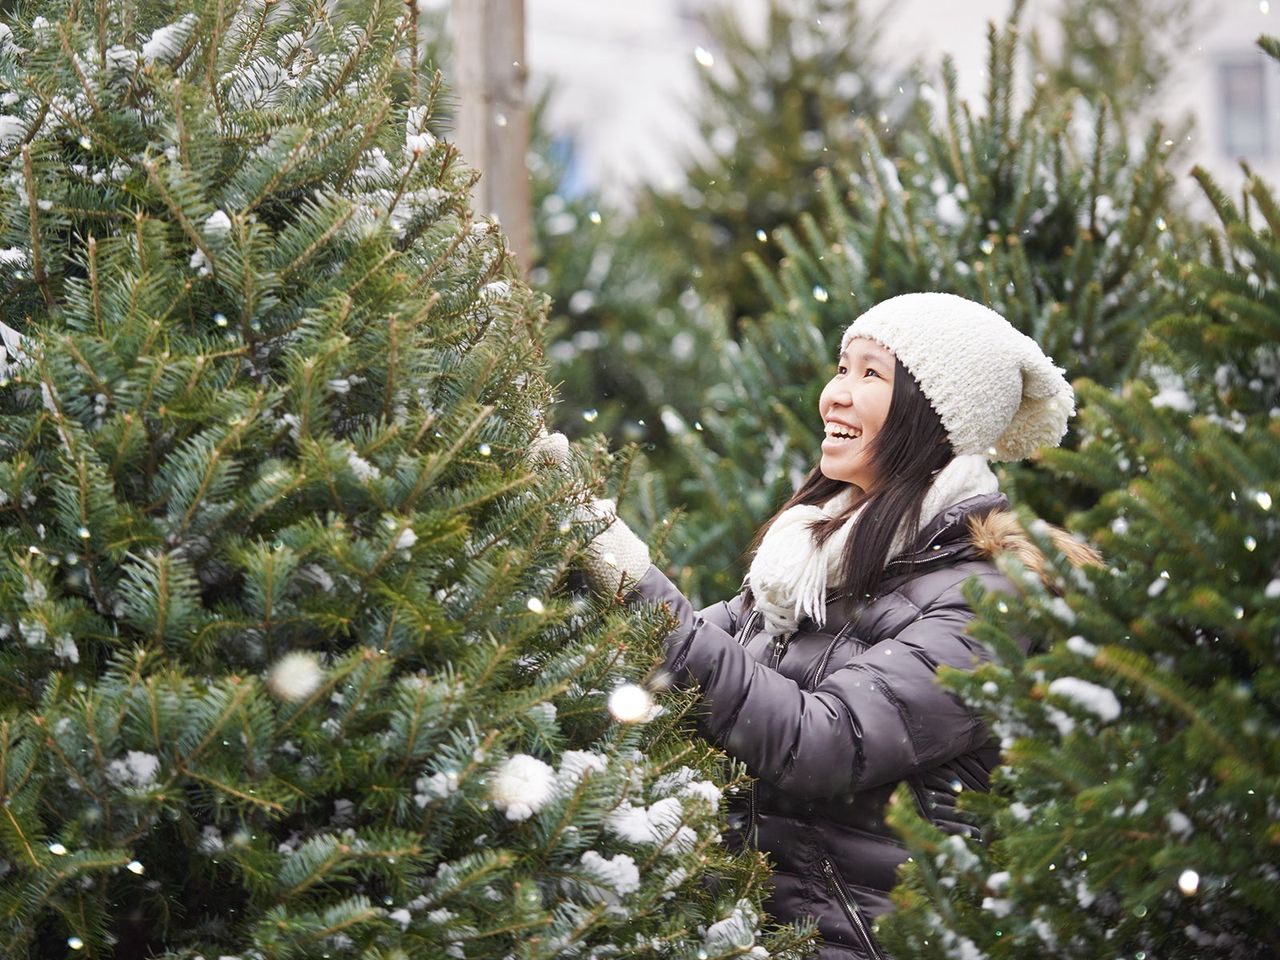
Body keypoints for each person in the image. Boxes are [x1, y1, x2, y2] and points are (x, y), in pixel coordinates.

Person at [538, 292, 1100, 960]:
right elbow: (685, 657)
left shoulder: (988, 602)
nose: (835, 394)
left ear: (936, 416)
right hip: (748, 937)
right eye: (842, 367)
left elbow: (821, 740)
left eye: (871, 374)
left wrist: (635, 583)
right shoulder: (812, 563)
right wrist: (562, 538)